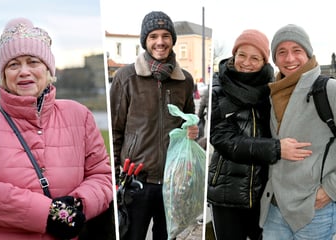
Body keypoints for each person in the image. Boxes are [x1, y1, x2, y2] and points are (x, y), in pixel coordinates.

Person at [0, 18, 113, 239]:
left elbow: (102, 175)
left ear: (48, 68)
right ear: (3, 75)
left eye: (32, 61)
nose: (24, 71)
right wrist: (48, 213)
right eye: (13, 64)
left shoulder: (80, 115)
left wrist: (77, 205)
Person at [110, 11, 199, 240]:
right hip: (137, 181)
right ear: (145, 41)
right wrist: (113, 174)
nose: (160, 42)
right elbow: (114, 130)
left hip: (173, 182)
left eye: (166, 35)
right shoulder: (125, 77)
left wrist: (193, 130)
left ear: (172, 40)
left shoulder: (185, 80)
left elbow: (189, 120)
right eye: (153, 36)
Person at [259, 24, 336, 239]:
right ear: (274, 58)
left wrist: (330, 191)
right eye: (281, 52)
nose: (289, 58)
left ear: (308, 53)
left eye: (297, 50)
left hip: (314, 210)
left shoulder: (328, 89)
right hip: (274, 207)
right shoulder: (272, 92)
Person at [207, 29, 285, 240]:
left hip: (264, 194)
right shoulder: (217, 90)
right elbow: (224, 140)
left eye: (255, 57)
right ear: (234, 55)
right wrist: (276, 149)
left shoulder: (273, 91)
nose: (247, 62)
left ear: (264, 61)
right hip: (226, 193)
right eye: (242, 55)